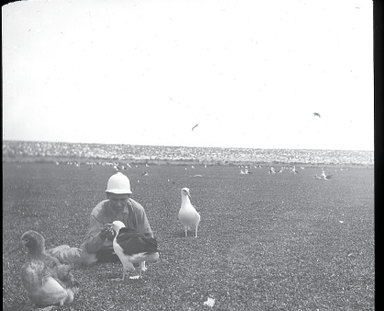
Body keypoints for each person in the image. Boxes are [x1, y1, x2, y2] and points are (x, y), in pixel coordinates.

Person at [47, 172, 155, 265]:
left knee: (154, 256)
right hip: (103, 249)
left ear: (128, 197)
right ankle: (58, 251)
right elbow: (90, 247)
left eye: (122, 200)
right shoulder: (98, 212)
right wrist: (101, 236)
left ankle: (119, 257)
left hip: (126, 249)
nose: (118, 204)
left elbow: (149, 238)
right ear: (107, 196)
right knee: (86, 259)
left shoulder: (137, 210)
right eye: (114, 199)